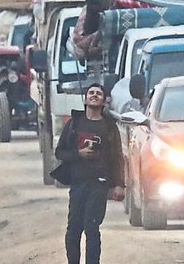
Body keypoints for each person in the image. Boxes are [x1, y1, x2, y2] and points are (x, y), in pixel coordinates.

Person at [55, 83, 125, 264]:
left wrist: (119, 184)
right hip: (78, 183)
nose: (94, 95)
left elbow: (118, 156)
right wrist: (78, 154)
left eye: (98, 93)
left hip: (99, 184)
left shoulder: (109, 127)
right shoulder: (74, 124)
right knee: (73, 230)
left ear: (104, 100)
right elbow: (59, 152)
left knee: (92, 228)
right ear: (85, 99)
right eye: (91, 93)